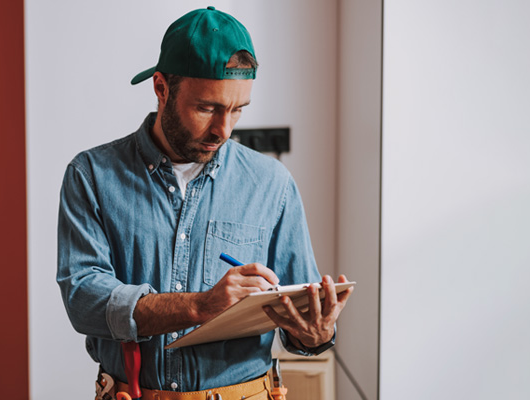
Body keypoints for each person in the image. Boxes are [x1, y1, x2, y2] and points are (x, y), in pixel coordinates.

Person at [57, 7, 353, 400]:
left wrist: (316, 335)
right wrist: (201, 305)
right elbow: (83, 299)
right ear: (161, 88)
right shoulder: (92, 175)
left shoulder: (272, 184)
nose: (223, 129)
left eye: (236, 110)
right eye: (207, 108)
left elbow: (298, 320)